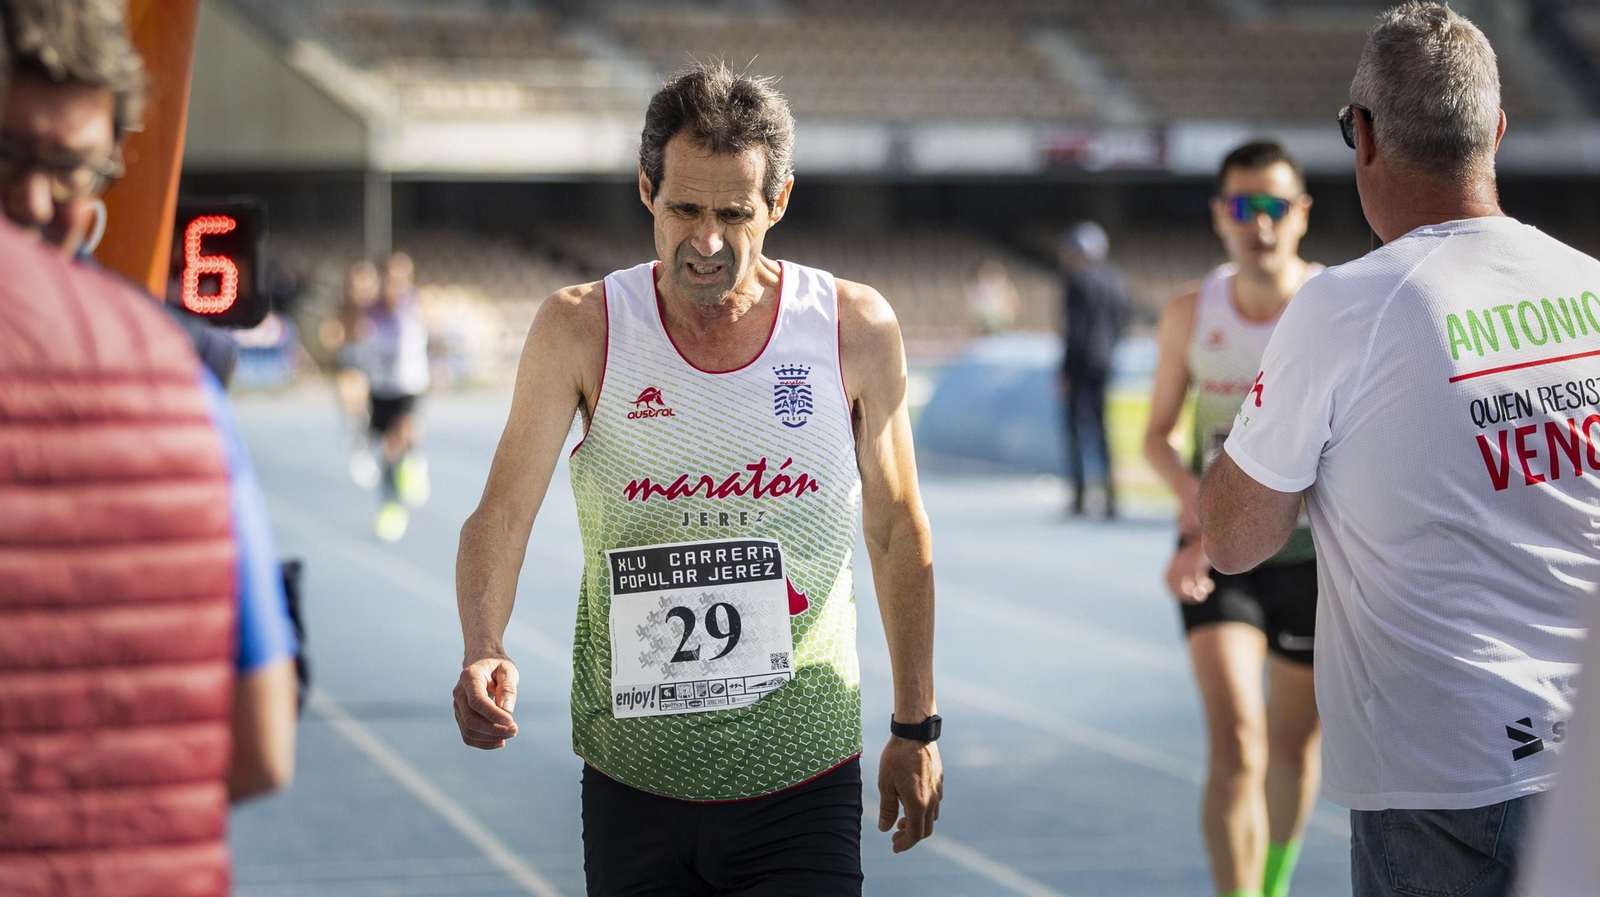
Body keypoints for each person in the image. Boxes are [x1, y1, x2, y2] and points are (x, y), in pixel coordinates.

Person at [452, 61, 942, 896]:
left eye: (733, 214)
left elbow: (897, 525)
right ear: (646, 189)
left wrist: (916, 723)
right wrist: (482, 644)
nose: (706, 242)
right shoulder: (582, 327)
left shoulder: (852, 327)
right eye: (684, 209)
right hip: (632, 775)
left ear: (778, 204)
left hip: (802, 771)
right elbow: (501, 513)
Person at [1201, 5, 1594, 895]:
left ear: (1365, 137)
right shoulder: (1590, 286)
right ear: (1494, 130)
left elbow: (1233, 538)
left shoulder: (1347, 307)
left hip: (1449, 784)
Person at [0, 4, 297, 893]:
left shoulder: (186, 382)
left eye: (71, 169)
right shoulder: (181, 382)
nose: (36, 201)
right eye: (11, 161)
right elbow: (259, 751)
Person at [1144, 141, 1323, 897]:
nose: (1260, 224)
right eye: (1244, 207)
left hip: (1314, 560)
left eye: (1275, 206)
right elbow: (1155, 437)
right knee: (1240, 745)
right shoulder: (1193, 311)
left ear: (1302, 215)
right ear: (1221, 215)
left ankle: (1273, 882)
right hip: (1219, 557)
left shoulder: (1330, 306)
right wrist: (1198, 517)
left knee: (1292, 746)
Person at [1058, 220, 1128, 518]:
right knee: (1102, 431)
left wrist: (1065, 371)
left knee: (1075, 431)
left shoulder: (1077, 282)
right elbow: (1123, 322)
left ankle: (1080, 496)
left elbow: (1074, 332)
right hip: (1105, 363)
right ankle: (1112, 497)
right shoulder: (1115, 281)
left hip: (1080, 366)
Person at [364, 250, 431, 541]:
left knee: (406, 427)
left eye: (401, 274)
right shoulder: (371, 309)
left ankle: (414, 462)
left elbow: (432, 329)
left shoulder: (417, 304)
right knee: (389, 447)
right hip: (380, 386)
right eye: (390, 275)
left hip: (409, 382)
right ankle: (391, 504)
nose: (395, 280)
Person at [321, 258, 382, 488]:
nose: (363, 291)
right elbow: (329, 338)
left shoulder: (382, 310)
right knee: (351, 388)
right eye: (358, 286)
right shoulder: (343, 312)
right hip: (354, 368)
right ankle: (357, 442)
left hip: (382, 371)